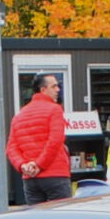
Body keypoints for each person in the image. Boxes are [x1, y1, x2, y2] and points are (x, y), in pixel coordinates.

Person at [7, 73, 73, 204]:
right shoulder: (55, 110)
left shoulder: (19, 115)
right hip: (55, 174)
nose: (58, 90)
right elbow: (55, 141)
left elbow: (11, 148)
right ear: (43, 89)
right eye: (54, 86)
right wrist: (39, 164)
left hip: (30, 178)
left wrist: (23, 165)